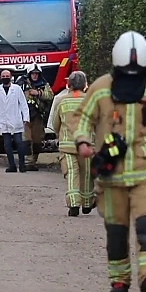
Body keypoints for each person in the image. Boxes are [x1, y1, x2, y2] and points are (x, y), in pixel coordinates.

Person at [74, 31, 146, 292]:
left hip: (144, 177)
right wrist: (82, 141)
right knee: (116, 231)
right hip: (111, 178)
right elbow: (82, 118)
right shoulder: (101, 88)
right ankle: (119, 281)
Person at [52, 71, 94, 216]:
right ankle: (87, 203)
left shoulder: (61, 101)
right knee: (87, 173)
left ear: (68, 84)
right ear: (85, 85)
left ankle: (74, 205)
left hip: (67, 145)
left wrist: (60, 134)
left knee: (71, 174)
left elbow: (55, 123)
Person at [0, 69, 30, 173]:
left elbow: (23, 104)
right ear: (0, 78)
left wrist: (25, 118)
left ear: (11, 77)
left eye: (7, 76)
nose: (5, 78)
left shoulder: (17, 89)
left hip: (16, 120)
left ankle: (22, 165)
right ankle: (12, 166)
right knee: (7, 145)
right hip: (3, 122)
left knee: (19, 143)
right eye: (3, 76)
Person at [16, 63, 53, 171]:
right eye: (33, 74)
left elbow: (50, 95)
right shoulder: (21, 84)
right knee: (26, 140)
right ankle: (27, 162)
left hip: (38, 115)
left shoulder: (44, 84)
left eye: (37, 74)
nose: (35, 76)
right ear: (29, 74)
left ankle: (33, 161)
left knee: (37, 140)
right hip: (24, 117)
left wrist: (38, 93)